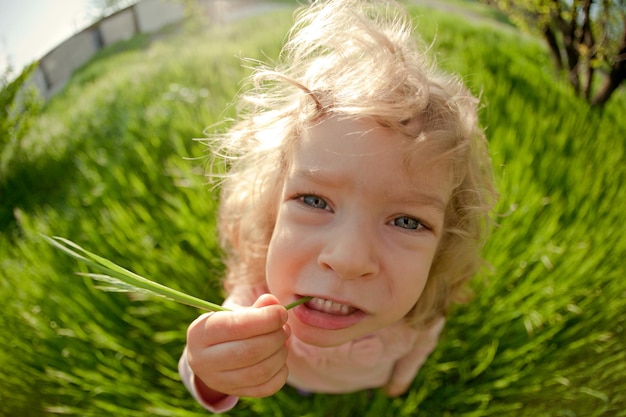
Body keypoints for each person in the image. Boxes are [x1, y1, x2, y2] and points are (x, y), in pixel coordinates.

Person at [179, 0, 496, 412]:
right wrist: (210, 371)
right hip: (296, 378)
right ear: (270, 208)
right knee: (300, 385)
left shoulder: (420, 309)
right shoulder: (257, 297)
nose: (347, 259)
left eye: (406, 221)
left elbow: (421, 344)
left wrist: (401, 377)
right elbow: (208, 360)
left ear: (443, 244)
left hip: (372, 381)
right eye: (314, 200)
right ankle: (304, 386)